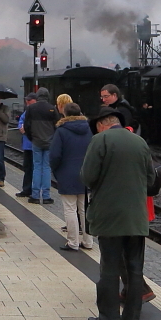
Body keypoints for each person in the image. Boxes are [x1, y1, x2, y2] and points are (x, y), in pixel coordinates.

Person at [82, 106, 157, 320]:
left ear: (101, 125)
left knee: (110, 268)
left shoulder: (100, 140)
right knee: (135, 269)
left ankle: (109, 319)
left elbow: (87, 176)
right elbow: (151, 179)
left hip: (109, 217)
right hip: (136, 217)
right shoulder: (139, 142)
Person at [50, 101, 94, 251]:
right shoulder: (89, 129)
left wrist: (56, 171)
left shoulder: (61, 131)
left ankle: (73, 242)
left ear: (65, 114)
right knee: (85, 209)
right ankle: (88, 242)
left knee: (70, 209)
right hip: (87, 173)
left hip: (67, 173)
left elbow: (55, 155)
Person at [23, 87, 58, 204]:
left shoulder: (31, 108)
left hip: (36, 142)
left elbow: (26, 125)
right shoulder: (52, 109)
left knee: (37, 167)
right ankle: (47, 196)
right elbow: (57, 125)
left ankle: (35, 195)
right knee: (47, 168)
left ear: (37, 96)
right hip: (49, 142)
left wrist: (31, 137)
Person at [16, 94, 35, 198]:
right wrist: (20, 127)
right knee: (27, 167)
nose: (27, 102)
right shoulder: (26, 112)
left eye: (29, 100)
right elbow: (21, 121)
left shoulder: (36, 111)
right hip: (27, 144)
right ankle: (27, 189)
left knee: (35, 168)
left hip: (35, 143)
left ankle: (33, 190)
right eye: (26, 101)